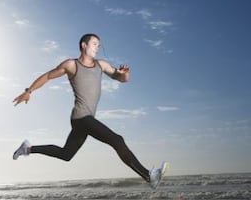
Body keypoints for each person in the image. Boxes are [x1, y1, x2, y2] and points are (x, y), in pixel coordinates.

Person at [12, 33, 168, 189]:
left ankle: (27, 148)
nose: (97, 47)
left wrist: (124, 73)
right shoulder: (71, 65)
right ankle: (149, 176)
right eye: (94, 44)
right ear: (84, 45)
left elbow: (121, 79)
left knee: (66, 154)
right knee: (117, 140)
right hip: (81, 118)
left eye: (99, 45)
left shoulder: (101, 65)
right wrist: (29, 91)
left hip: (86, 120)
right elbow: (47, 76)